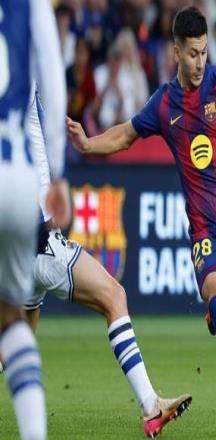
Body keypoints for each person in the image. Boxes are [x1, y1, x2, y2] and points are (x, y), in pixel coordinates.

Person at [66, 5, 216, 432]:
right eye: (193, 53)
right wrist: (88, 145)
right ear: (176, 52)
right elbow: (125, 134)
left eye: (204, 52)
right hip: (206, 232)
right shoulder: (165, 103)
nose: (200, 62)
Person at [22, 85, 191, 439]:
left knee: (12, 346)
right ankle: (151, 405)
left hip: (19, 247)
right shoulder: (19, 72)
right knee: (114, 296)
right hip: (39, 240)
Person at [0, 0, 70, 438]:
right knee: (12, 317)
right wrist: (58, 175)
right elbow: (53, 81)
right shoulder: (30, 6)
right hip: (18, 180)